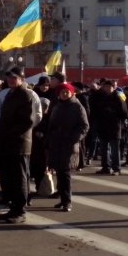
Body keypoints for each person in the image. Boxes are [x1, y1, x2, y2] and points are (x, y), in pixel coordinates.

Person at [0, 67, 38, 224]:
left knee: (20, 178)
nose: (11, 80)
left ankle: (20, 210)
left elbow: (27, 121)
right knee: (10, 177)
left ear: (22, 79)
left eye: (14, 77)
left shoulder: (25, 94)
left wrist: (10, 133)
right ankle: (13, 208)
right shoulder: (11, 93)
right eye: (9, 77)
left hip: (19, 144)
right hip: (8, 143)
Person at [46, 83, 89, 212]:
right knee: (59, 172)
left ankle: (67, 201)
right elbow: (51, 124)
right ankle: (62, 198)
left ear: (71, 93)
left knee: (65, 174)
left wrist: (73, 138)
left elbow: (84, 126)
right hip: (56, 143)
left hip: (69, 144)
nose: (64, 94)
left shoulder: (77, 106)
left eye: (66, 92)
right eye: (62, 92)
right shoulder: (57, 106)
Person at [90, 79, 127, 176]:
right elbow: (94, 110)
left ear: (113, 88)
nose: (107, 89)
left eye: (109, 87)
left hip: (114, 127)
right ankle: (105, 167)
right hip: (103, 126)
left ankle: (116, 168)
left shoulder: (118, 98)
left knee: (115, 149)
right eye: (105, 87)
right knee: (104, 149)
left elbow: (125, 113)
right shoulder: (100, 97)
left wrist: (113, 113)